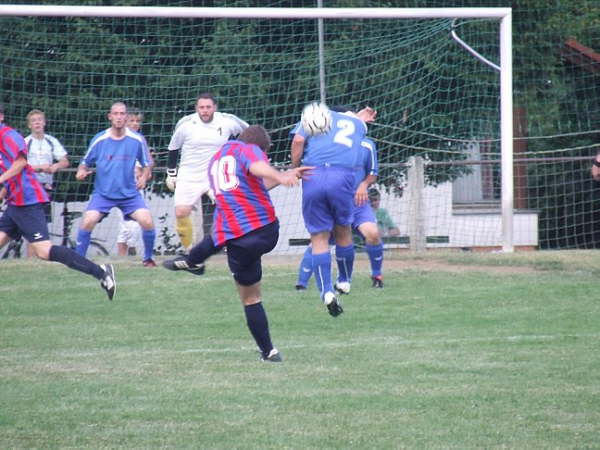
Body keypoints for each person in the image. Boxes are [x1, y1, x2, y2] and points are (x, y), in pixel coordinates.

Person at [162, 125, 310, 362]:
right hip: (264, 231)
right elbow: (257, 166)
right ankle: (269, 353)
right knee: (249, 291)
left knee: (250, 298)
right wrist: (280, 175)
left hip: (238, 240)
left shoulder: (217, 159)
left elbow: (253, 182)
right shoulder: (247, 150)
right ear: (258, 147)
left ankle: (269, 351)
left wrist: (286, 174)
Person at [0, 102, 116, 300]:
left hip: (28, 201)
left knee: (43, 251)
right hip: (15, 203)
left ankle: (102, 272)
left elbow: (20, 163)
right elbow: (8, 173)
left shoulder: (8, 135)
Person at [291, 102, 377, 316]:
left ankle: (326, 292)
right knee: (343, 230)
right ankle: (344, 280)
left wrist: (295, 168)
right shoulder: (356, 124)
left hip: (314, 174)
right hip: (344, 176)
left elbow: (299, 139)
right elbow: (357, 124)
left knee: (319, 238)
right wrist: (359, 117)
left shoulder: (318, 115)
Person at [295, 135, 387, 290]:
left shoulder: (366, 145)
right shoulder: (325, 144)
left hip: (358, 202)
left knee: (373, 233)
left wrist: (364, 185)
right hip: (334, 201)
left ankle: (377, 275)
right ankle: (301, 283)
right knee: (321, 239)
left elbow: (373, 173)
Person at [75, 101, 157, 266]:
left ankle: (148, 259)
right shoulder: (100, 139)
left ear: (126, 117)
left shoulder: (136, 139)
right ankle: (79, 261)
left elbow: (148, 162)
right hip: (103, 194)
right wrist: (80, 173)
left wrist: (143, 177)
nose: (119, 117)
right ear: (110, 117)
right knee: (88, 221)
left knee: (147, 221)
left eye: (122, 114)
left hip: (129, 194)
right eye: (116, 114)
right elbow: (84, 163)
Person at [165, 92, 248, 252]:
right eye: (201, 107)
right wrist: (171, 173)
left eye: (208, 107)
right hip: (189, 175)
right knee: (181, 212)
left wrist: (237, 152)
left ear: (214, 108)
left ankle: (231, 245)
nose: (205, 110)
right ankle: (190, 252)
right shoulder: (186, 125)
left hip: (217, 175)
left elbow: (249, 132)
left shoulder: (228, 122)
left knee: (231, 208)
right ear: (197, 108)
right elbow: (173, 148)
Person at [24, 109, 70, 256]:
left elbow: (64, 160)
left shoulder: (51, 141)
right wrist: (38, 168)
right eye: (34, 120)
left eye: (39, 119)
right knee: (32, 225)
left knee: (41, 224)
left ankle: (39, 258)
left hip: (45, 188)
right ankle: (31, 259)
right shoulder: (25, 142)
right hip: (29, 187)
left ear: (44, 122)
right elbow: (18, 165)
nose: (37, 123)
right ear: (29, 125)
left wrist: (56, 166)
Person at [115, 108, 145, 256]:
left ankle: (132, 251)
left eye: (137, 121)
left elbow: (146, 165)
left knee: (137, 223)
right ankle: (125, 256)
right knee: (125, 225)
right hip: (120, 186)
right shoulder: (117, 139)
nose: (134, 124)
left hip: (136, 186)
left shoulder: (140, 140)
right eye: (131, 120)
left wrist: (143, 175)